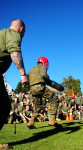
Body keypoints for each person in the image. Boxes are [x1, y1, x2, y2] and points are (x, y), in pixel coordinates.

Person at [0, 19, 28, 149]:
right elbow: (14, 52)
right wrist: (23, 74)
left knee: (4, 104)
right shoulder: (13, 34)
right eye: (23, 34)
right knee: (4, 105)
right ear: (21, 30)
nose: (22, 37)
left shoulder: (2, 33)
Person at [28, 56, 64, 129]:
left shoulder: (31, 70)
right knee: (54, 99)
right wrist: (50, 82)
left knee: (38, 106)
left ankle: (31, 122)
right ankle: (52, 120)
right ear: (45, 63)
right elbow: (44, 75)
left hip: (32, 89)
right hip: (40, 87)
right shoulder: (42, 66)